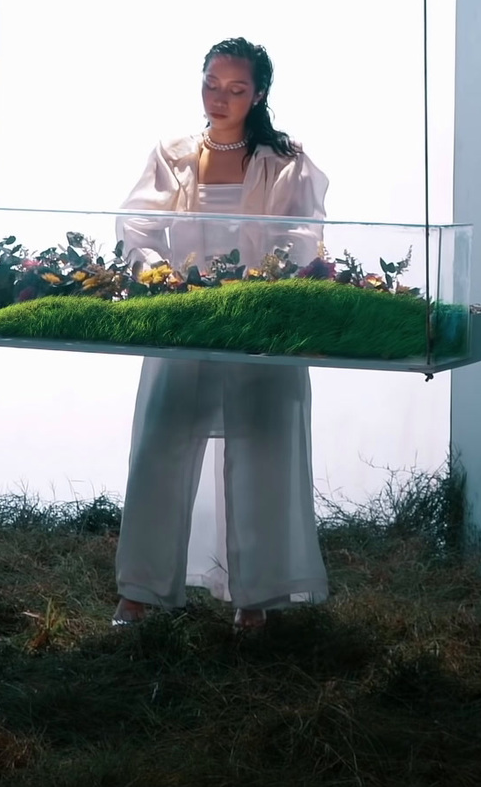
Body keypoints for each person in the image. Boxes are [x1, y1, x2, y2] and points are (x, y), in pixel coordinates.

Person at [111, 37, 330, 632]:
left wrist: (265, 281)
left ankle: (254, 599)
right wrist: (156, 274)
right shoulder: (174, 153)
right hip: (183, 322)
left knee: (262, 451)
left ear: (258, 94)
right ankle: (140, 592)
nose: (221, 98)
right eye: (212, 83)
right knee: (160, 448)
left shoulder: (286, 160)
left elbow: (304, 233)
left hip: (257, 325)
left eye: (236, 89)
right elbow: (137, 223)